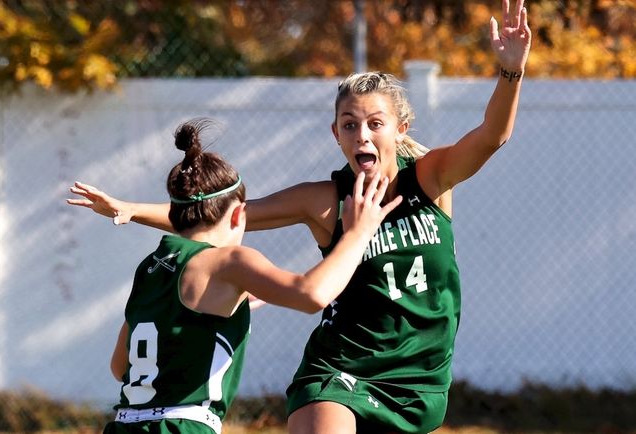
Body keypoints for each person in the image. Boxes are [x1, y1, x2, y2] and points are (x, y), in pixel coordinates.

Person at [69, 0, 531, 431]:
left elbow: (492, 136)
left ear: (400, 129)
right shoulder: (324, 200)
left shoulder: (430, 180)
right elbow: (219, 217)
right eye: (349, 125)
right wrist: (131, 211)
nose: (361, 135)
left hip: (421, 379)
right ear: (336, 133)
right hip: (340, 369)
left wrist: (511, 71)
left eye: (375, 123)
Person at [86, 118, 400, 434]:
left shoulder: (153, 266)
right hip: (183, 427)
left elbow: (119, 365)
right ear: (239, 214)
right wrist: (358, 233)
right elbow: (312, 295)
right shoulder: (230, 261)